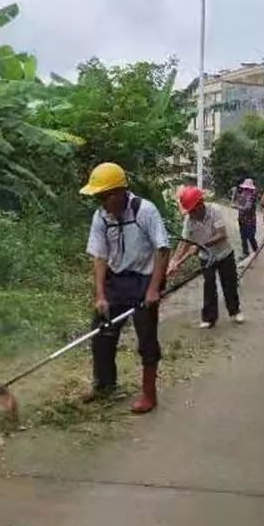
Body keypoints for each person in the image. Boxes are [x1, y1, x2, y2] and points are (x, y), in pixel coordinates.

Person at [80, 162, 170, 413]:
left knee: (147, 340)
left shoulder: (145, 211)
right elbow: (99, 257)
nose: (100, 202)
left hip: (143, 280)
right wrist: (100, 295)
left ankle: (149, 395)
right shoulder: (101, 217)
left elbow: (162, 249)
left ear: (118, 193)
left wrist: (153, 290)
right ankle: (105, 385)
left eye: (104, 197)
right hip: (116, 280)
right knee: (101, 331)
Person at [169, 186, 244, 329]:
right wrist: (175, 261)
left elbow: (222, 234)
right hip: (206, 258)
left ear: (200, 205)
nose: (190, 214)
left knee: (230, 284)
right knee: (209, 285)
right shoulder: (189, 220)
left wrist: (201, 245)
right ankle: (209, 318)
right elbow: (184, 242)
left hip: (224, 254)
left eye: (192, 210)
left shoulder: (215, 211)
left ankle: (235, 311)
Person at [233, 179, 259, 259]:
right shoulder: (242, 195)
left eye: (247, 188)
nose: (246, 190)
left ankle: (256, 250)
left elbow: (247, 208)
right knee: (243, 236)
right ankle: (246, 252)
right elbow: (236, 201)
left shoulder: (252, 197)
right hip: (242, 219)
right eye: (245, 188)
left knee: (250, 236)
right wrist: (235, 195)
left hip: (250, 220)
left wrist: (237, 206)